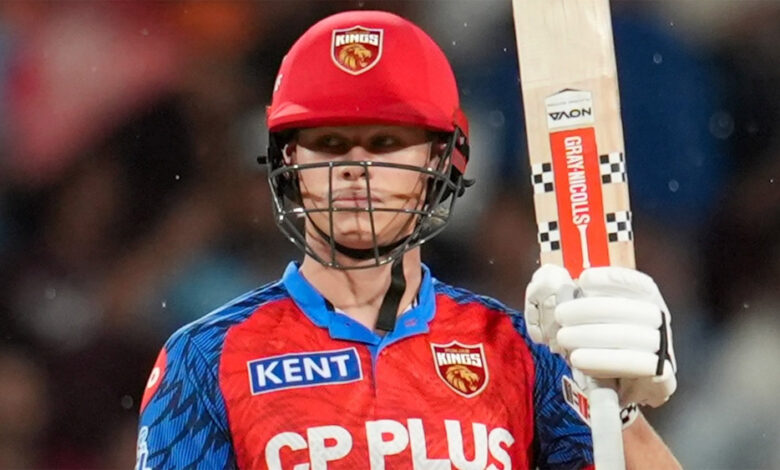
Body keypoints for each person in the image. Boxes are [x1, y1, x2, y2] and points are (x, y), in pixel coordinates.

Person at [136, 10, 680, 469]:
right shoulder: (205, 360)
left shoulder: (519, 351)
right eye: (329, 143)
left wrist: (619, 411)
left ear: (441, 160)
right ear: (289, 162)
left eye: (385, 142)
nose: (356, 168)